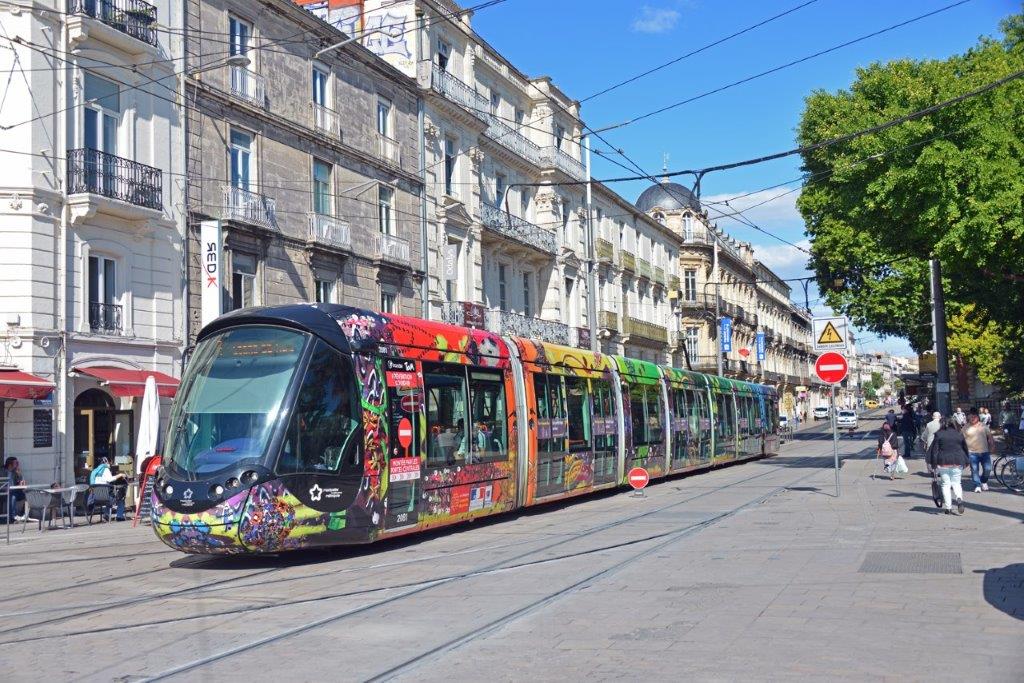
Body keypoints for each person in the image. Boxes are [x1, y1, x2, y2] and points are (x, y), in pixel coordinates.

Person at [927, 417, 969, 515]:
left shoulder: (939, 434)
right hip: (958, 460)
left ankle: (948, 508)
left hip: (943, 461)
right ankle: (959, 499)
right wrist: (967, 460)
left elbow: (934, 451)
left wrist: (933, 464)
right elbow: (965, 448)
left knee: (945, 484)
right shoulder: (959, 434)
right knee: (957, 483)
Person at [962, 412, 995, 493]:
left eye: (974, 417)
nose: (972, 418)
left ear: (977, 417)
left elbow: (990, 437)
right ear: (968, 418)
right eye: (971, 417)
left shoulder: (983, 426)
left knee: (988, 469)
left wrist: (992, 446)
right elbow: (961, 439)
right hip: (971, 452)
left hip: (984, 451)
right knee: (974, 470)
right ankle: (977, 485)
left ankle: (983, 481)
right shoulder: (965, 427)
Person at [4, 457, 26, 522]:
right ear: (10, 464)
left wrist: (21, 480)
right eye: (16, 463)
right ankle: (13, 517)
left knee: (28, 495)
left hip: (15, 491)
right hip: (5, 492)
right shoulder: (3, 472)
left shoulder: (15, 472)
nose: (17, 464)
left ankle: (24, 514)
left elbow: (20, 482)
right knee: (12, 497)